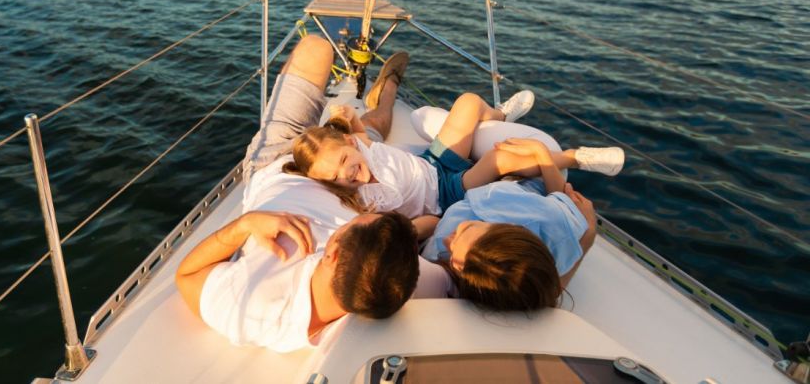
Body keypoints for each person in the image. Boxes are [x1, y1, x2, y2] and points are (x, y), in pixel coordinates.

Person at [175, 36, 450, 353]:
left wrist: (245, 225)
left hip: (277, 164)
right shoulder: (388, 277)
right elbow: (438, 267)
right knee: (369, 134)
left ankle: (379, 97)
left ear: (332, 252)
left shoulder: (256, 309)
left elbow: (187, 275)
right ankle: (386, 92)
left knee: (315, 48)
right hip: (344, 178)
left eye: (356, 222)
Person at [284, 91, 624, 217]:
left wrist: (352, 115)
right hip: (447, 193)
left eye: (343, 161)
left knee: (468, 101)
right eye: (333, 178)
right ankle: (576, 157)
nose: (346, 174)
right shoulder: (363, 201)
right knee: (499, 158)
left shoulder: (361, 145)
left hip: (433, 162)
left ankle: (500, 115)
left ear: (349, 146)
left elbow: (359, 131)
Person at [420, 138, 601, 312]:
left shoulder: (438, 258)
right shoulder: (550, 230)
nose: (446, 240)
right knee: (519, 149)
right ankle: (572, 157)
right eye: (466, 229)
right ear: (504, 226)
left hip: (496, 181)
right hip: (536, 185)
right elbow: (561, 202)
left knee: (499, 150)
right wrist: (542, 154)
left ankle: (568, 156)